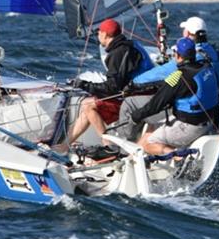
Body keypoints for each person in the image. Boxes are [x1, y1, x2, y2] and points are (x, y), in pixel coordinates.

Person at [117, 16, 219, 140]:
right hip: (210, 114)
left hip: (187, 117)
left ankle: (124, 147)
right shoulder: (215, 56)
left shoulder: (185, 66)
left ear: (188, 34)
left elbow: (161, 75)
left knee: (130, 104)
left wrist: (133, 83)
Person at [61, 18, 153, 150]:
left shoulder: (118, 53)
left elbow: (112, 88)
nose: (98, 36)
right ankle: (64, 146)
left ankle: (108, 145)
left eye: (98, 33)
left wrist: (84, 85)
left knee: (88, 104)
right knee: (88, 107)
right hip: (144, 94)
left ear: (104, 34)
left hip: (137, 100)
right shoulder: (131, 45)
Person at [131, 37, 219, 155]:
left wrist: (136, 116)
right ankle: (140, 160)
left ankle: (179, 158)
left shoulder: (177, 77)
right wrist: (216, 127)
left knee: (148, 143)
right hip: (208, 122)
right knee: (151, 127)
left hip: (189, 127)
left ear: (177, 55)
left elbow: (156, 104)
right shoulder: (207, 68)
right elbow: (216, 99)